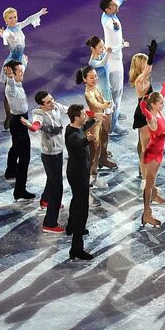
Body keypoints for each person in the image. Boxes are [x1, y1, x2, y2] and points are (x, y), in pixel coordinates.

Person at [64, 104, 98, 262]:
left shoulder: (72, 127)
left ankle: (71, 226)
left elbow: (84, 127)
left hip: (77, 173)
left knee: (76, 201)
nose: (86, 116)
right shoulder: (73, 136)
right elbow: (77, 142)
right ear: (77, 117)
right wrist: (88, 140)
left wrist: (95, 119)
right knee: (82, 210)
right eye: (84, 114)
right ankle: (76, 249)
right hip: (78, 175)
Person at [29, 91, 66, 232]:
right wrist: (32, 127)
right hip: (50, 154)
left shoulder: (55, 106)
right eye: (49, 102)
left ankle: (45, 200)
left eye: (52, 99)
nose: (53, 102)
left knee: (52, 179)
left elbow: (70, 110)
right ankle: (49, 223)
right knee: (57, 188)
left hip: (58, 150)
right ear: (42, 105)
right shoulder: (39, 114)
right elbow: (36, 125)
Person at [1, 58, 36, 201]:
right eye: (20, 72)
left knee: (16, 147)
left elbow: (17, 75)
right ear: (12, 74)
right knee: (24, 158)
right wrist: (9, 78)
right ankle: (20, 190)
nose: (23, 73)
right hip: (19, 121)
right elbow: (12, 85)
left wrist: (23, 65)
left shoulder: (17, 80)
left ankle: (10, 171)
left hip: (19, 119)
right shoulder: (11, 87)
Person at [137, 83, 165, 228]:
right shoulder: (151, 117)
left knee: (153, 181)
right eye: (161, 103)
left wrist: (164, 89)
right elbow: (146, 112)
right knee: (149, 184)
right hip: (152, 154)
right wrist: (143, 107)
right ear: (153, 105)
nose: (163, 104)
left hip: (158, 152)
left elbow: (156, 100)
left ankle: (153, 199)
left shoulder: (157, 111)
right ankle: (146, 213)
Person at [85, 36, 119, 170]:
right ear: (93, 48)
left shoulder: (101, 55)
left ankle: (103, 152)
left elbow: (110, 51)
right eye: (100, 47)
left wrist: (120, 46)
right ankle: (102, 158)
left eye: (103, 46)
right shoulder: (93, 62)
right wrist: (108, 53)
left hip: (107, 96)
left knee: (106, 130)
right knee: (103, 130)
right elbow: (103, 63)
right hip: (101, 100)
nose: (103, 48)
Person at [100, 0, 130, 144]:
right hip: (113, 62)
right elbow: (113, 29)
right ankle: (113, 124)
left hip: (115, 59)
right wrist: (123, 45)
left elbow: (116, 4)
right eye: (113, 5)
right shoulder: (109, 23)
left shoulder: (106, 14)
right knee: (116, 93)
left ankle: (116, 114)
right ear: (108, 9)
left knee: (117, 93)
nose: (116, 6)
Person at [77, 67, 113, 188]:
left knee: (100, 148)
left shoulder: (95, 88)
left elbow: (102, 100)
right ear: (84, 79)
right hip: (93, 125)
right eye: (91, 77)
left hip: (100, 121)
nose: (95, 79)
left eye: (96, 76)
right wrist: (105, 104)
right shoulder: (88, 92)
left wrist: (107, 101)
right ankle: (90, 179)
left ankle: (96, 172)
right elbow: (95, 104)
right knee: (93, 154)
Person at [129, 46, 159, 185]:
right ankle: (145, 178)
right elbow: (148, 70)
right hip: (143, 114)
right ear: (140, 66)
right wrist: (152, 54)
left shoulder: (143, 78)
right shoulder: (140, 80)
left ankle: (143, 171)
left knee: (144, 144)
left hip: (148, 112)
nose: (148, 65)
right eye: (145, 62)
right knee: (145, 147)